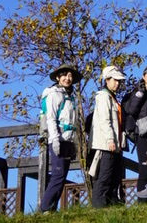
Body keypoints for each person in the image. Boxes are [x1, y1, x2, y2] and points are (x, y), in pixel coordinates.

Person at [40, 63, 82, 213]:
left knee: (62, 175)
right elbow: (51, 118)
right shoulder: (53, 94)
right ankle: (45, 208)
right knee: (58, 175)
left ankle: (51, 209)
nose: (67, 78)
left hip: (68, 139)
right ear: (58, 77)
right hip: (58, 138)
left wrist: (75, 142)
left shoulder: (69, 95)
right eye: (64, 75)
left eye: (70, 76)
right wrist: (55, 139)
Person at [89, 65, 125, 208]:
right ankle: (99, 208)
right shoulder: (103, 97)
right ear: (107, 80)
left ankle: (109, 206)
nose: (117, 83)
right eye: (114, 80)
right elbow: (105, 120)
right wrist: (110, 139)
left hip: (113, 144)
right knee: (104, 176)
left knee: (113, 177)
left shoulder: (112, 97)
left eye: (119, 81)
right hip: (106, 145)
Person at [124, 65, 147, 199]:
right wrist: (140, 94)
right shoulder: (135, 93)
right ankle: (142, 199)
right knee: (144, 169)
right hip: (143, 135)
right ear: (143, 76)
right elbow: (130, 111)